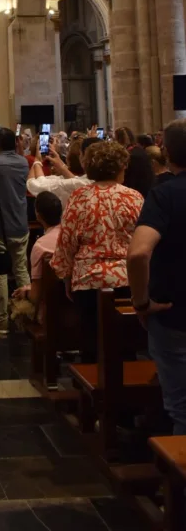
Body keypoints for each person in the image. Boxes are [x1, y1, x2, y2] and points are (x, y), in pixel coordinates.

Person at [51, 140, 143, 362]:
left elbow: (67, 241)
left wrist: (66, 276)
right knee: (126, 343)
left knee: (91, 341)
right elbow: (142, 241)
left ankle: (92, 376)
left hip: (88, 279)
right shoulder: (134, 197)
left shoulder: (80, 197)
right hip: (126, 278)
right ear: (120, 166)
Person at [127, 119, 186, 434]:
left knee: (183, 410)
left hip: (175, 314)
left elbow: (138, 253)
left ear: (167, 153)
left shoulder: (165, 195)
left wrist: (141, 303)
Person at [0, 127, 30, 336]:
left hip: (0, 227)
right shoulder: (23, 163)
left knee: (0, 273)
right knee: (21, 269)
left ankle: (1, 321)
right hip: (20, 223)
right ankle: (27, 315)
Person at [12, 191, 63, 321]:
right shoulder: (71, 237)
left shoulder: (40, 246)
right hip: (74, 305)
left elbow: (35, 296)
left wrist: (26, 292)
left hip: (48, 312)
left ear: (38, 215)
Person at [27, 136, 94, 208]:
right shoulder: (91, 180)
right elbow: (75, 179)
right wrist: (60, 164)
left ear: (84, 159)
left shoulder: (82, 183)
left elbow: (37, 185)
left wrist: (37, 160)